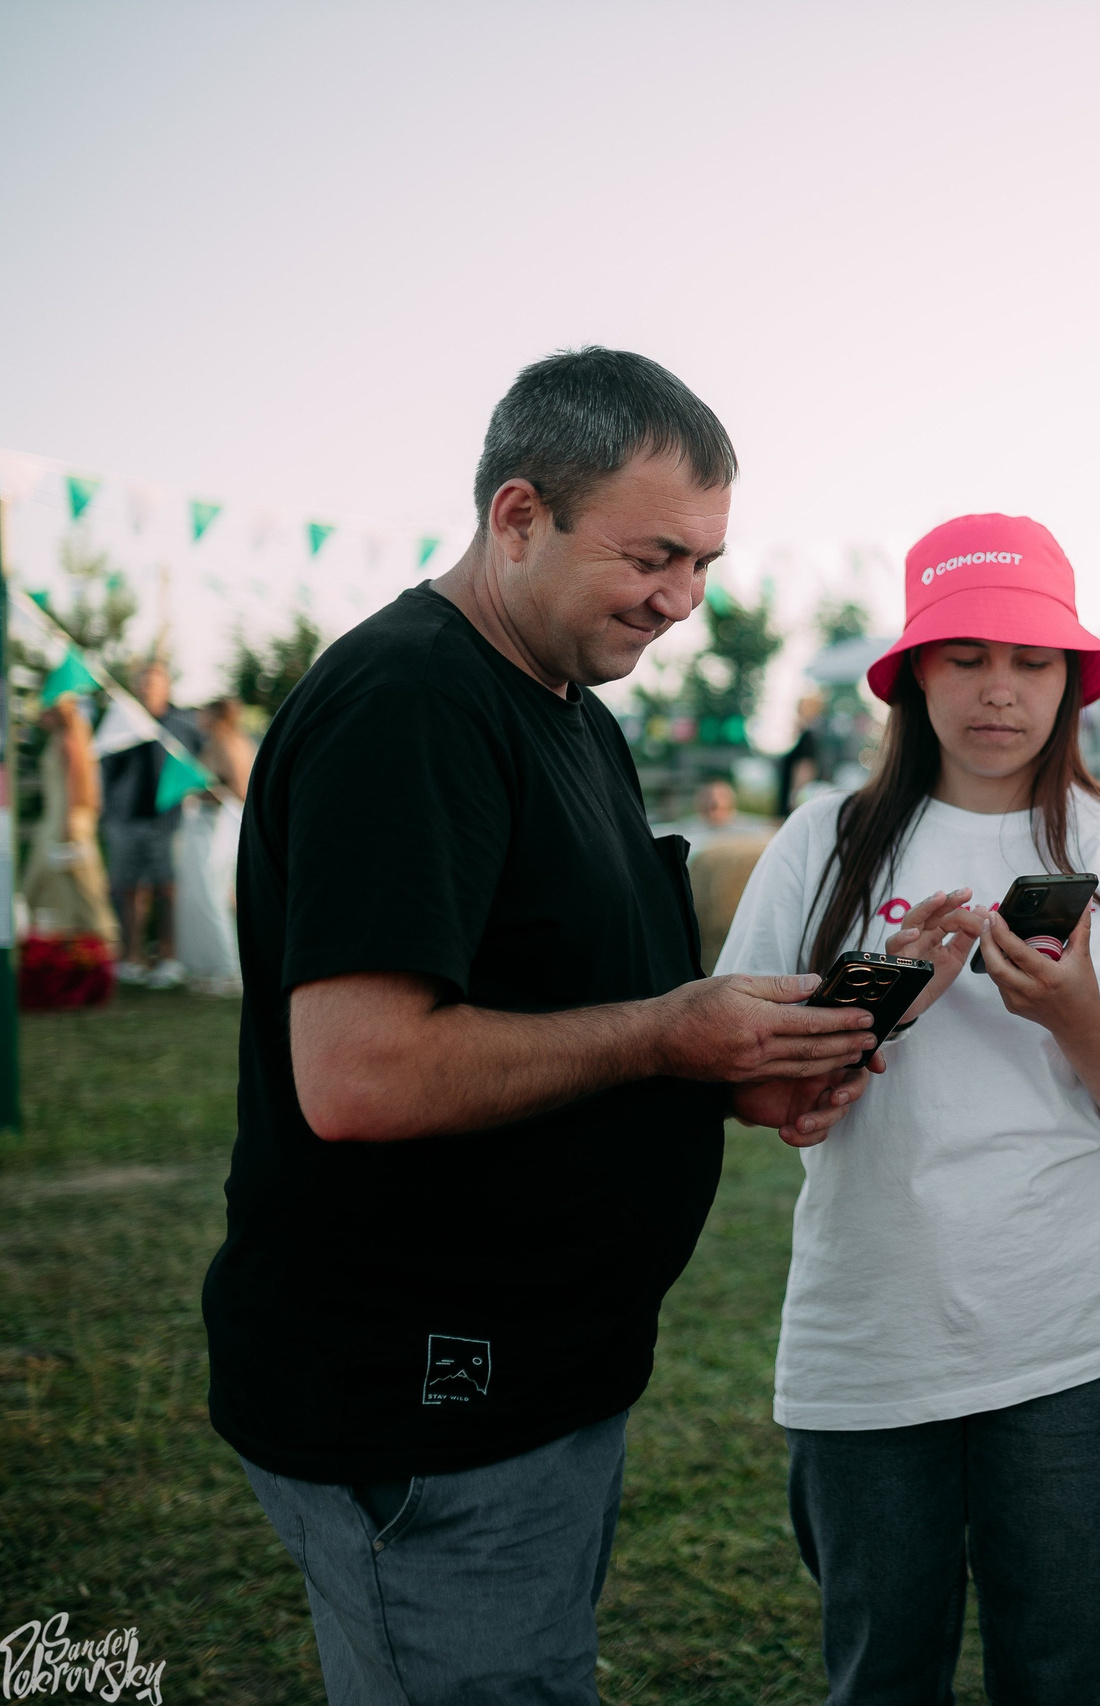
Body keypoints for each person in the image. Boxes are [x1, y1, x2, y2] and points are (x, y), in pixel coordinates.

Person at [202, 348, 883, 1706]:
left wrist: (734, 1072)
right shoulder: (409, 706)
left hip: (535, 1385)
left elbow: (573, 1000)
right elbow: (361, 1071)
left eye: (704, 563)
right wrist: (665, 1040)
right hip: (426, 1407)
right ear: (518, 517)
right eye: (653, 556)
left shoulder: (568, 702)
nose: (681, 601)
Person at [715, 512, 1100, 1706]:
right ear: (912, 674)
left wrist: (1074, 1015)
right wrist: (884, 1010)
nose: (1000, 690)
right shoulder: (826, 843)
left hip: (1075, 1332)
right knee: (882, 1671)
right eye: (966, 656)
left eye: (1031, 661)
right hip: (870, 1321)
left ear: (1072, 679)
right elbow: (749, 1083)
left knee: (1062, 1669)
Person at [99, 658, 201, 986]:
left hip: (167, 821)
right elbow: (106, 766)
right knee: (128, 888)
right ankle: (132, 957)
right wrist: (111, 812)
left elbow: (200, 769)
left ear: (166, 687)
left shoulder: (183, 725)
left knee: (166, 889)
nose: (147, 688)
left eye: (154, 683)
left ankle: (169, 957)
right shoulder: (122, 721)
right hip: (127, 819)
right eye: (142, 683)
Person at [25, 691, 120, 948]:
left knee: (84, 882)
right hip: (58, 818)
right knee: (56, 882)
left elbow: (78, 782)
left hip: (66, 820)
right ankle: (64, 943)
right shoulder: (63, 735)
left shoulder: (71, 735)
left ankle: (105, 940)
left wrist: (69, 826)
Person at [172, 697, 252, 994]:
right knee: (220, 894)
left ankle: (225, 968)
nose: (197, 715)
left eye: (203, 711)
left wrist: (200, 794)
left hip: (215, 826)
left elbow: (237, 789)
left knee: (210, 895)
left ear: (215, 716)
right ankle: (218, 965)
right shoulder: (240, 740)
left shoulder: (222, 741)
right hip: (223, 825)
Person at [779, 691, 829, 813]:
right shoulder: (812, 736)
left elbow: (805, 768)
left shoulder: (808, 737)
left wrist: (794, 798)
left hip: (796, 802)